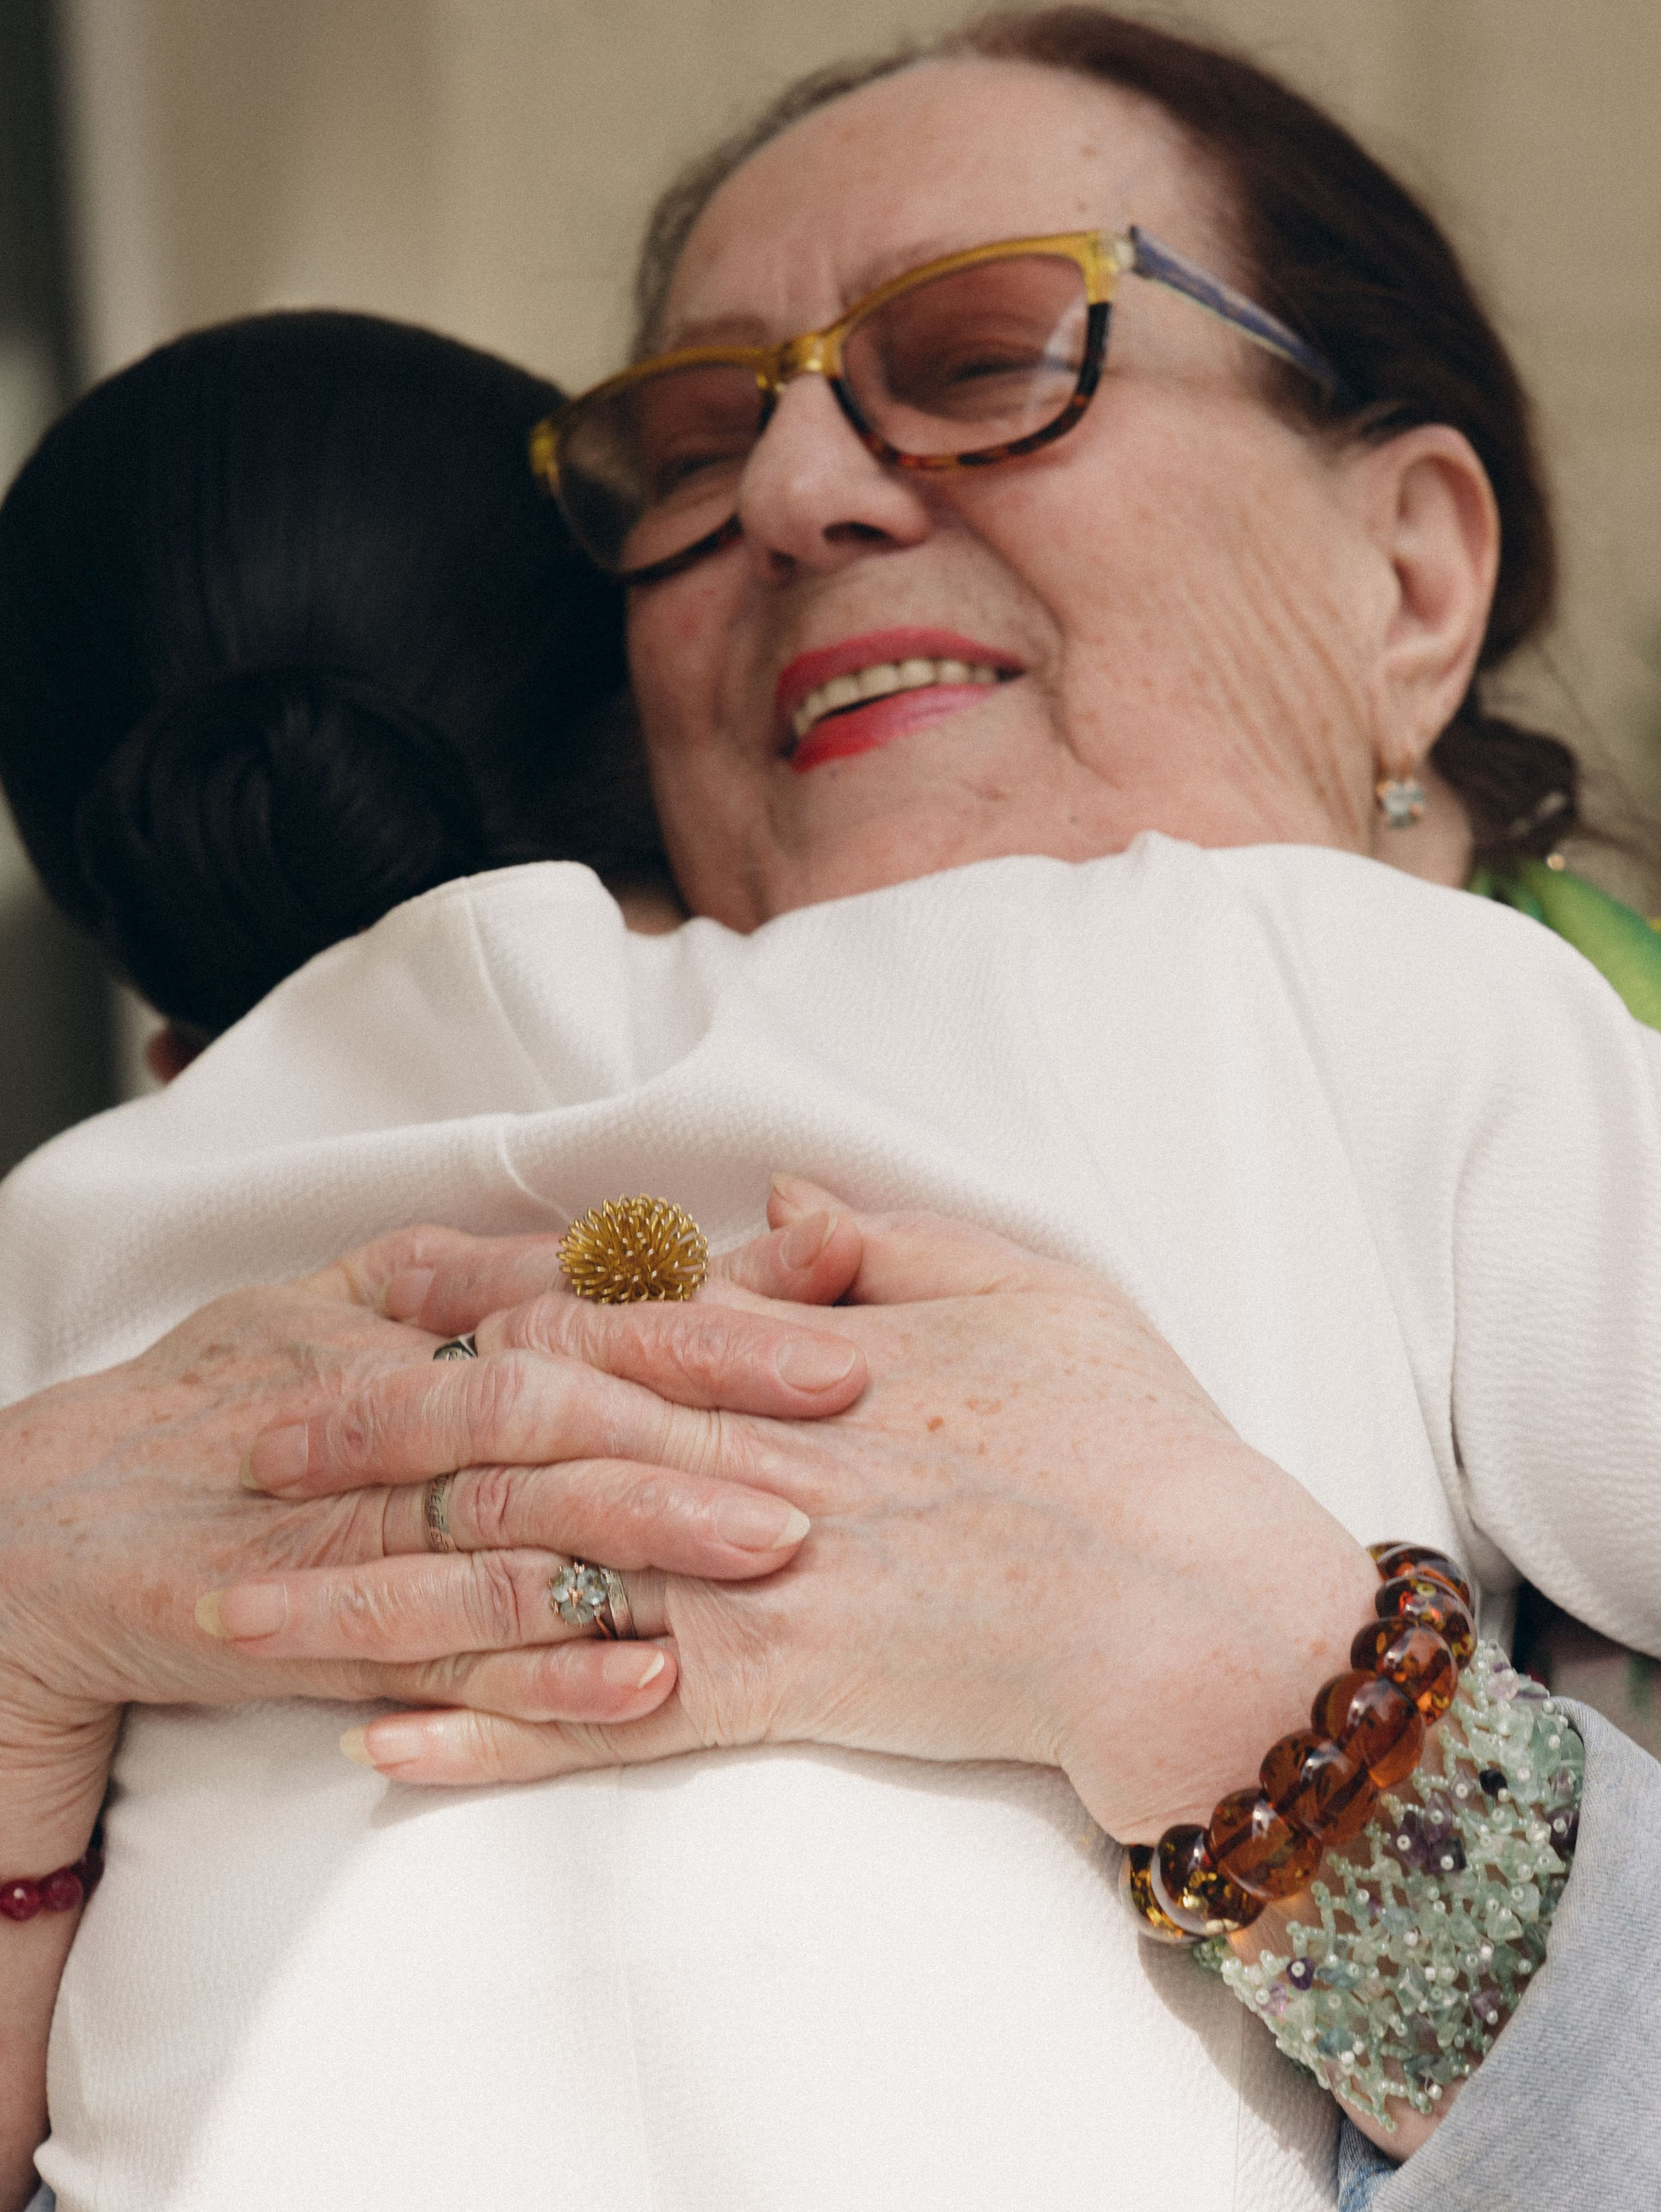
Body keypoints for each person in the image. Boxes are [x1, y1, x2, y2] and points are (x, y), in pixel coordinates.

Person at [3, 11, 1661, 2209]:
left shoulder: (1414, 1023)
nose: (791, 494)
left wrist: (1300, 1718)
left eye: (983, 359)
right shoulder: (239, 1166)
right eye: (689, 450)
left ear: (1408, 576)